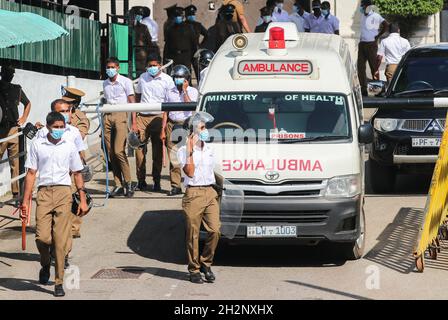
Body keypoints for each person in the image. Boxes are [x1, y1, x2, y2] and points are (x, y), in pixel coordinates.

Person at [21, 111, 89, 297]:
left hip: (63, 193)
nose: (59, 130)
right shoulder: (37, 145)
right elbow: (31, 174)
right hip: (43, 193)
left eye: (62, 127)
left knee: (60, 241)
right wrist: (25, 202)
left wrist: (82, 199)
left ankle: (59, 282)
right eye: (56, 127)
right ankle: (45, 264)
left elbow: (77, 172)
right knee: (42, 238)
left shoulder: (69, 146)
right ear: (48, 127)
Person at [177, 113, 220, 284]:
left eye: (205, 127)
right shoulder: (182, 151)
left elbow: (212, 172)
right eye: (202, 128)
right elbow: (190, 172)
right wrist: (189, 149)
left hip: (210, 191)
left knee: (215, 230)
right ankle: (194, 269)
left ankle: (206, 263)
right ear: (192, 130)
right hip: (193, 194)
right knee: (193, 234)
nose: (205, 130)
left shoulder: (209, 149)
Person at [134, 54, 176, 192]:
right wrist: (134, 119)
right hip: (142, 117)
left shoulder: (168, 80)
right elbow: (137, 96)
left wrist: (164, 124)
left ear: (160, 65)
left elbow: (170, 101)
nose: (152, 68)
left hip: (159, 116)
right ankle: (141, 180)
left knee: (157, 152)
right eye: (150, 65)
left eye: (154, 65)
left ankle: (156, 180)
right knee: (139, 150)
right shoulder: (142, 78)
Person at [161, 65, 198, 196]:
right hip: (172, 124)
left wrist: (184, 91)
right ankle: (175, 186)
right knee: (173, 157)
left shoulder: (193, 91)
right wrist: (163, 128)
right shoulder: (169, 91)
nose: (178, 79)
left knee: (188, 155)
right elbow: (165, 111)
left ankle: (191, 183)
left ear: (186, 78)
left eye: (181, 77)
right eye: (176, 77)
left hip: (186, 125)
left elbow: (191, 106)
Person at [103, 57, 135, 198]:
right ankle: (118, 184)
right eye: (108, 67)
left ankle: (128, 183)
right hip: (107, 115)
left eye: (112, 67)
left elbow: (132, 102)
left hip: (121, 115)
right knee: (111, 153)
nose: (110, 70)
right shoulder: (105, 83)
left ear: (118, 68)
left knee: (118, 151)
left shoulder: (125, 82)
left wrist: (133, 122)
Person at [0, 64, 31, 203]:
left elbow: (28, 103)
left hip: (13, 128)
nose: (9, 75)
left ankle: (16, 194)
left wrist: (24, 118)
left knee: (16, 162)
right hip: (0, 130)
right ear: (2, 73)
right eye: (7, 72)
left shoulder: (16, 89)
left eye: (11, 73)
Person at [358, 0, 389, 96]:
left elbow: (386, 25)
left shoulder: (376, 16)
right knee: (360, 67)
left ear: (368, 6)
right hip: (362, 43)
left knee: (374, 67)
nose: (361, 8)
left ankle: (377, 89)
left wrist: (378, 35)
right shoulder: (363, 15)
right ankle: (363, 88)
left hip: (371, 44)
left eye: (362, 6)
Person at [163, 7, 197, 73]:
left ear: (182, 16)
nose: (177, 18)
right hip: (174, 56)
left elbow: (193, 43)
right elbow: (167, 45)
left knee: (186, 74)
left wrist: (194, 56)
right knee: (174, 74)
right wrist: (165, 60)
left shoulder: (188, 28)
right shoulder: (170, 29)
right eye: (175, 16)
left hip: (186, 56)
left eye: (179, 16)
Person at [184, 5, 208, 82]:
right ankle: (188, 87)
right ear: (186, 15)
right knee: (187, 71)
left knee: (199, 71)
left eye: (193, 14)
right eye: (190, 15)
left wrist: (201, 46)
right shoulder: (183, 25)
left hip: (196, 52)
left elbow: (207, 35)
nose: (192, 16)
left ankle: (200, 86)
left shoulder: (198, 25)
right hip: (186, 51)